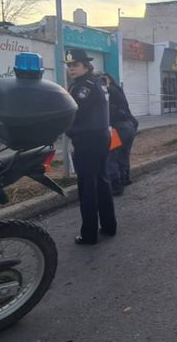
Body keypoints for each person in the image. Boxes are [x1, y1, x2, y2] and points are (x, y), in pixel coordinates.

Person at [65, 49, 116, 245]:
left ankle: (89, 235)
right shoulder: (96, 81)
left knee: (87, 186)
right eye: (69, 66)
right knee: (102, 181)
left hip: (88, 139)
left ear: (86, 66)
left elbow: (75, 114)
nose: (71, 69)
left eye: (75, 65)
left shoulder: (82, 87)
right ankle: (109, 226)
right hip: (101, 136)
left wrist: (67, 129)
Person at [101, 73, 139, 196]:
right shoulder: (118, 89)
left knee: (111, 157)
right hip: (129, 126)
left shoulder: (107, 91)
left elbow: (110, 111)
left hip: (116, 128)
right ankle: (125, 179)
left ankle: (116, 187)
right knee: (123, 154)